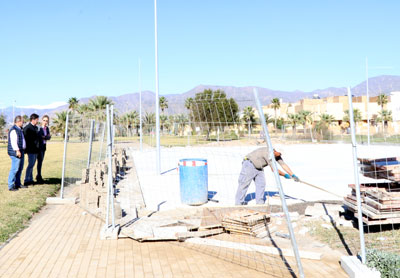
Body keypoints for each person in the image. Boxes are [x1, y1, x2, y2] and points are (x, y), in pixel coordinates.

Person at [235, 147, 300, 205]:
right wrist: (285, 175)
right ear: (275, 151)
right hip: (249, 164)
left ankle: (260, 203)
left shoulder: (277, 155)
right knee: (244, 184)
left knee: (261, 184)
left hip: (259, 167)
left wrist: (293, 175)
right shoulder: (269, 153)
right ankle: (238, 203)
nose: (280, 155)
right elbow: (274, 169)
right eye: (280, 153)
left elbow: (283, 165)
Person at [7, 116, 26, 191]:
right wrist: (17, 151)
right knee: (15, 169)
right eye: (22, 121)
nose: (23, 122)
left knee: (20, 168)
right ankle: (11, 185)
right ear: (18, 122)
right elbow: (13, 142)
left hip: (21, 151)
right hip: (16, 152)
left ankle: (18, 183)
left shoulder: (20, 129)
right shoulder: (14, 130)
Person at [23, 113, 40, 186]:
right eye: (36, 120)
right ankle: (27, 180)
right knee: (30, 165)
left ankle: (31, 179)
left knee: (32, 165)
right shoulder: (27, 128)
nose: (37, 121)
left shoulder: (36, 128)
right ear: (33, 120)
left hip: (36, 149)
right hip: (31, 149)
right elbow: (26, 139)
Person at [36, 115, 51, 183]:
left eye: (46, 121)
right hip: (39, 147)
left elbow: (48, 137)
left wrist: (44, 137)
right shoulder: (39, 128)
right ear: (42, 120)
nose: (45, 122)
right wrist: (45, 137)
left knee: (41, 162)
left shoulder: (47, 128)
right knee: (39, 161)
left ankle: (39, 175)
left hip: (44, 146)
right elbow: (39, 137)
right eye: (44, 120)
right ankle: (39, 176)